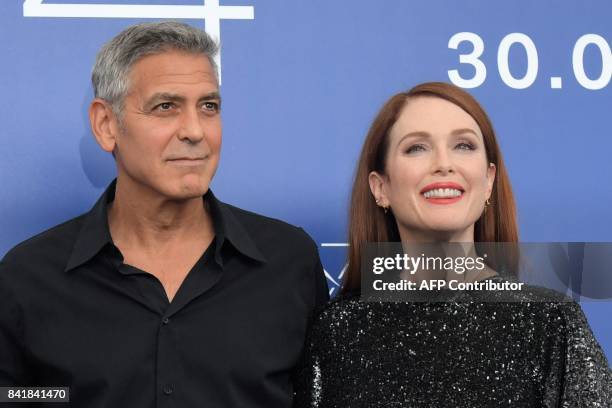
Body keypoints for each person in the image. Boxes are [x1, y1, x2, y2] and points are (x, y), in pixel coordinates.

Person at [0, 22, 329, 407]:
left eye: (209, 107)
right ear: (106, 125)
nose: (194, 131)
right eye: (165, 106)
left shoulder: (289, 261)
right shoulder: (30, 277)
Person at [293, 82, 611, 407]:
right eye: (416, 147)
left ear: (488, 181)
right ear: (381, 187)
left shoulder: (552, 323)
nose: (444, 163)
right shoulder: (335, 333)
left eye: (463, 145)